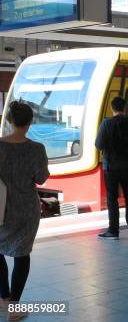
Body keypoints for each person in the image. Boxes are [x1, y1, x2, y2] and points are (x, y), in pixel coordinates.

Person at [0, 101, 49, 321]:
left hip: (0, 209)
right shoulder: (37, 149)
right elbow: (40, 178)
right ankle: (14, 307)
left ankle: (3, 298)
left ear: (9, 121)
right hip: (26, 211)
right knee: (22, 255)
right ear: (29, 122)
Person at [95, 96, 128, 239]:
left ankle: (113, 231)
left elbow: (98, 145)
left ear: (112, 108)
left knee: (112, 199)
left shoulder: (106, 124)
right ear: (125, 108)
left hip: (110, 168)